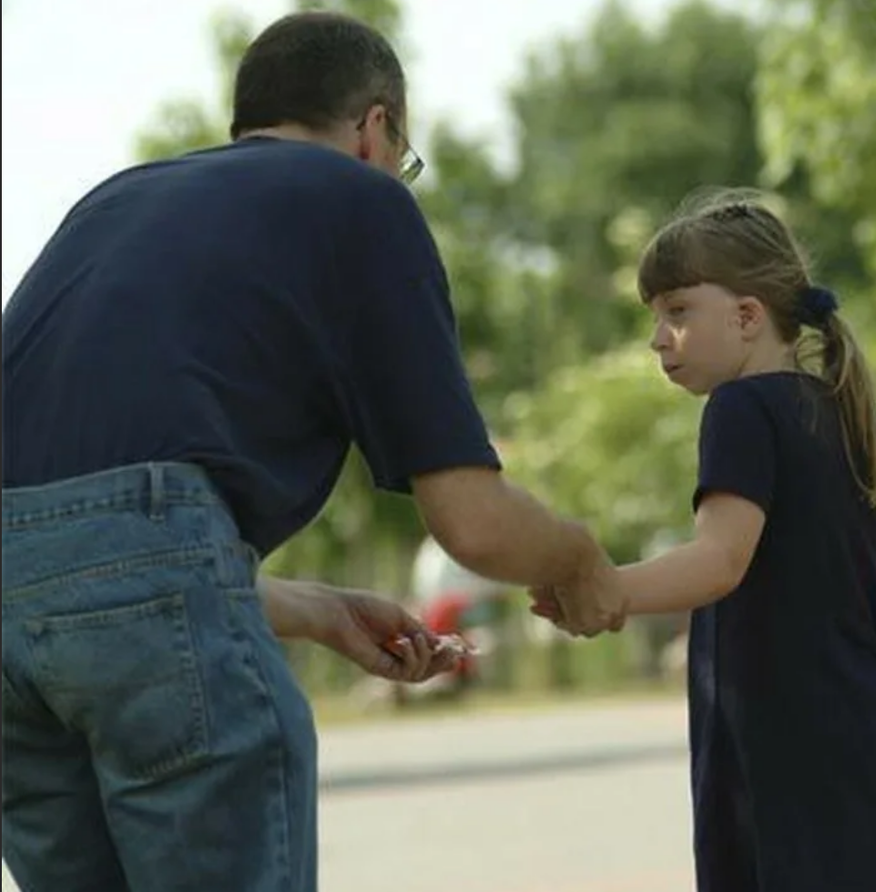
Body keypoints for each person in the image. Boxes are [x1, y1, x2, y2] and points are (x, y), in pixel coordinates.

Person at [1, 11, 625, 892]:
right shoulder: (360, 200)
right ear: (375, 129)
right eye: (404, 154)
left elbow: (81, 542)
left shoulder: (112, 201)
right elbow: (474, 523)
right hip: (143, 613)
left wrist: (312, 608)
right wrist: (580, 555)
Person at [533, 193, 876, 891]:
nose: (659, 337)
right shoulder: (841, 410)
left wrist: (605, 588)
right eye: (654, 317)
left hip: (793, 764)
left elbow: (719, 560)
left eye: (677, 312)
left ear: (746, 316)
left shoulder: (742, 409)